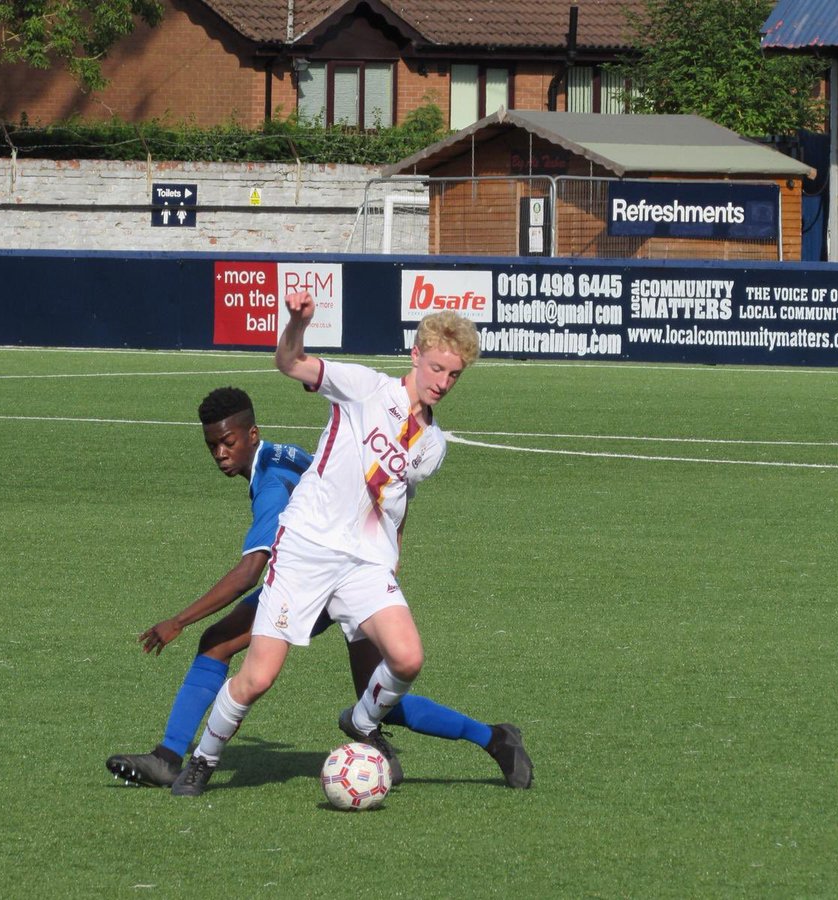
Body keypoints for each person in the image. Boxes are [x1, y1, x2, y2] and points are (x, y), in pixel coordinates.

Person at [174, 293, 530, 797]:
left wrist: (394, 552)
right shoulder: (365, 388)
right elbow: (289, 361)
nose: (443, 382)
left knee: (407, 658)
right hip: (306, 549)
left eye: (454, 375)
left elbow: (399, 498)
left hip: (364, 563)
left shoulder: (433, 446)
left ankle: (361, 722)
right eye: (437, 368)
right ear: (415, 354)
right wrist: (297, 322)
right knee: (258, 677)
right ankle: (202, 760)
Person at [106, 386, 532, 794]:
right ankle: (493, 738)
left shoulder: (270, 486)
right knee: (377, 695)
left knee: (217, 642)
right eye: (212, 446)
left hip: (319, 578)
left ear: (251, 434)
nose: (220, 453)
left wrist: (178, 621)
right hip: (356, 567)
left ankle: (169, 757)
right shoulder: (281, 453)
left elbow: (251, 570)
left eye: (227, 442)